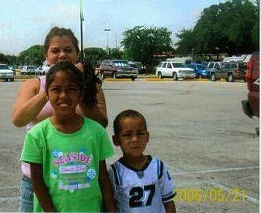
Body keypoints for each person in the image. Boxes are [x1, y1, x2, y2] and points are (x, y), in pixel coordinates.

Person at [11, 26, 108, 212]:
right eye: (55, 50)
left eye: (68, 50)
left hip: (80, 179)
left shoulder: (89, 86)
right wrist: (49, 86)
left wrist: (82, 85)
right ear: (46, 55)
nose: (62, 55)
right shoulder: (33, 85)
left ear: (77, 54)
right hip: (36, 181)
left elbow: (101, 123)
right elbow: (18, 119)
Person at [20, 61, 115, 212]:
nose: (64, 95)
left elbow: (103, 178)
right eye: (56, 89)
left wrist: (111, 210)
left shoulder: (96, 132)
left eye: (71, 89)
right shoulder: (37, 135)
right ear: (47, 94)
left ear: (81, 94)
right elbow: (37, 183)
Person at [108, 109, 176, 213]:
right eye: (127, 135)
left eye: (140, 133)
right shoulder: (115, 172)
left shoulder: (158, 167)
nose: (135, 139)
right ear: (116, 140)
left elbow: (168, 202)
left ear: (147, 137)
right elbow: (109, 206)